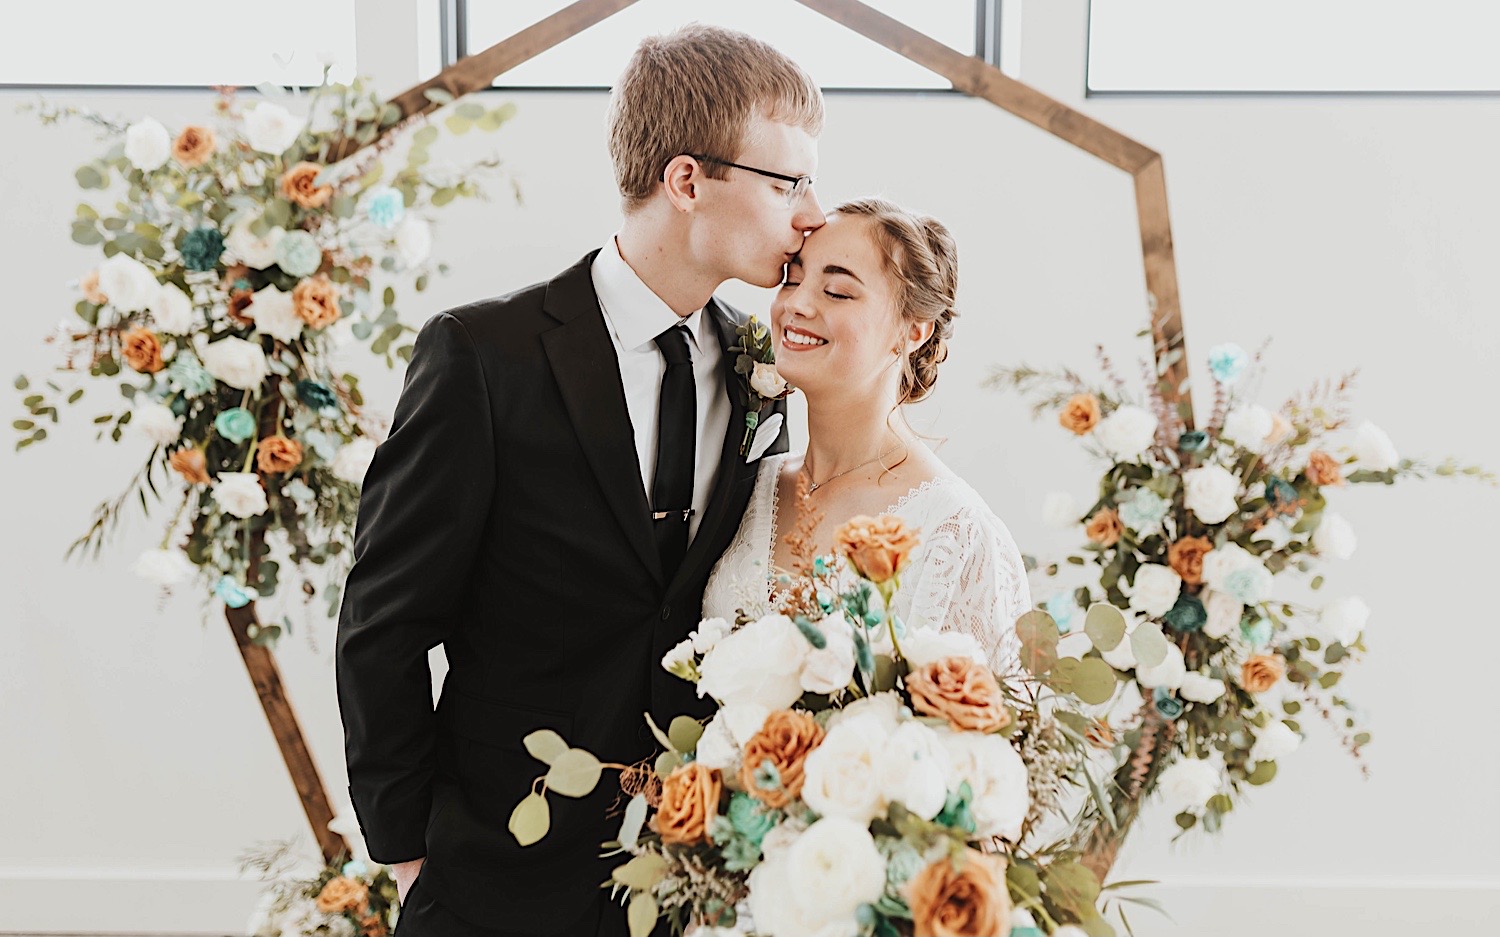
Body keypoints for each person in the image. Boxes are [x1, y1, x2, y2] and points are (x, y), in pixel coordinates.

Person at [335, 25, 825, 937]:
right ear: (688, 181)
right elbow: (384, 622)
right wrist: (406, 850)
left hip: (689, 873)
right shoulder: (484, 357)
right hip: (491, 869)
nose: (811, 213)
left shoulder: (762, 367)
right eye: (788, 180)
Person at [703, 198, 1032, 672]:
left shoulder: (954, 532)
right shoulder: (749, 485)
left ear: (912, 331)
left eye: (836, 291)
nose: (796, 303)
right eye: (792, 280)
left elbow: (1004, 729)